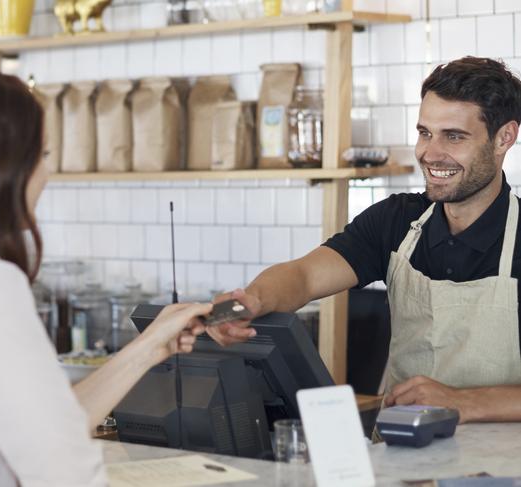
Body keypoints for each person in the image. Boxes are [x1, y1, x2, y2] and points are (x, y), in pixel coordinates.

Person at [0, 66, 211, 487]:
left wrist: (148, 347)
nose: (47, 174)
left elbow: (48, 422)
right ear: (1, 168)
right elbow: (64, 469)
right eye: (43, 155)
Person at [209, 56, 521, 424]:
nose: (430, 153)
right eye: (424, 133)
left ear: (505, 137)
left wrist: (463, 402)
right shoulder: (397, 220)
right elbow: (304, 275)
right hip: (402, 456)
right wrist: (250, 301)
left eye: (453, 136)